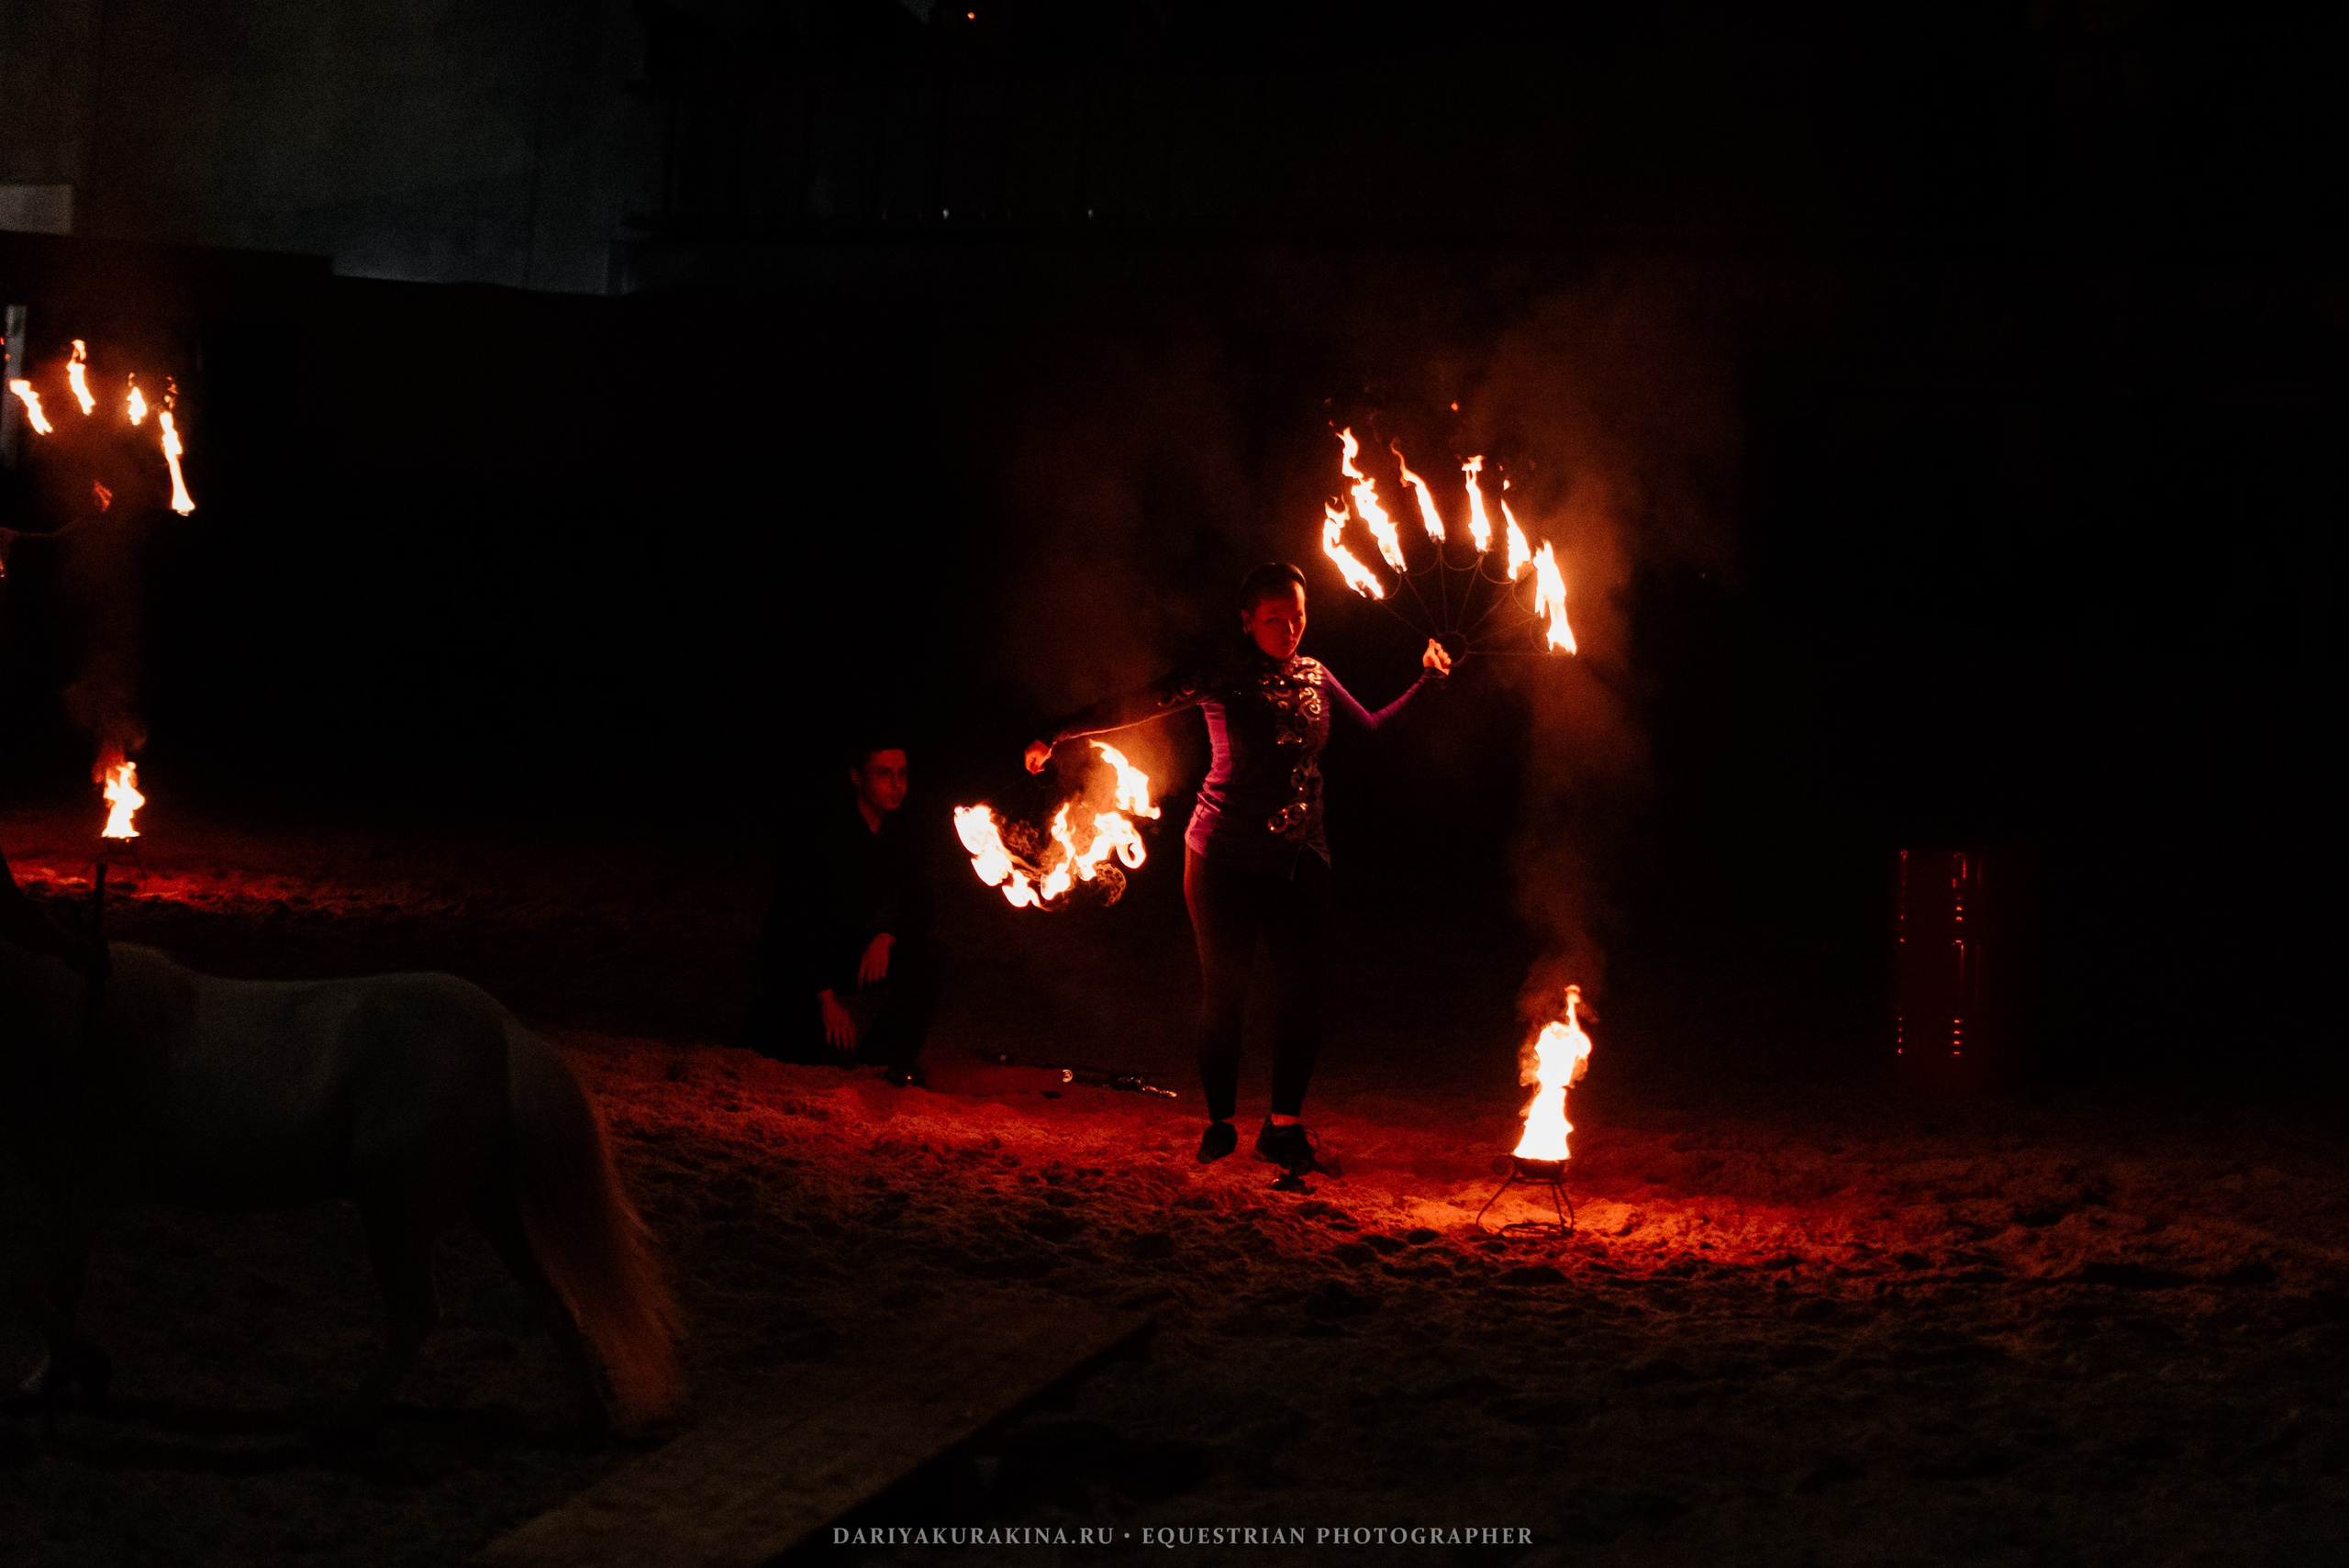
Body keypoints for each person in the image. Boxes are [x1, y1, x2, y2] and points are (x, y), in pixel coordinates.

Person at [1024, 562, 1450, 1174]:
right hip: (1223, 855)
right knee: (1227, 995)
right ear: (1247, 621)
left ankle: (1284, 1126)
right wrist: (1056, 731)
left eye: (1297, 615)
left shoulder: (1316, 674)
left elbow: (1374, 730)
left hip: (1304, 854)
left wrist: (1427, 682)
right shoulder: (1223, 673)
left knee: (1303, 996)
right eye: (1274, 618)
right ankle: (1220, 1123)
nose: (1289, 628)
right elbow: (1141, 702)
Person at [746, 740, 936, 1087]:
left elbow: (921, 903)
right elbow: (793, 922)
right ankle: (772, 1018)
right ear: (856, 778)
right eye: (883, 774)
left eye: (902, 774)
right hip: (795, 958)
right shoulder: (824, 834)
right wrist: (826, 998)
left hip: (840, 949)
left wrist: (885, 937)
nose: (897, 785)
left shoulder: (901, 833)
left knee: (927, 958)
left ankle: (883, 1060)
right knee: (822, 1055)